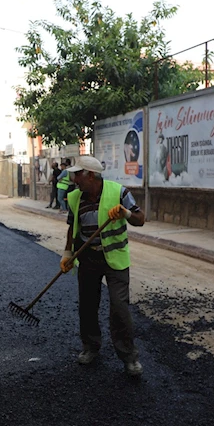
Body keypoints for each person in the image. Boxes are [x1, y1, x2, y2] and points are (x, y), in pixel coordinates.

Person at [60, 155, 146, 377]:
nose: (74, 178)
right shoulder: (76, 197)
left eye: (78, 174)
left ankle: (129, 357)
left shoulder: (119, 192)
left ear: (91, 175)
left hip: (115, 258)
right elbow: (72, 227)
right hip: (88, 258)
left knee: (120, 307)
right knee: (87, 306)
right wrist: (67, 252)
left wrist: (125, 213)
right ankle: (90, 347)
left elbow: (140, 218)